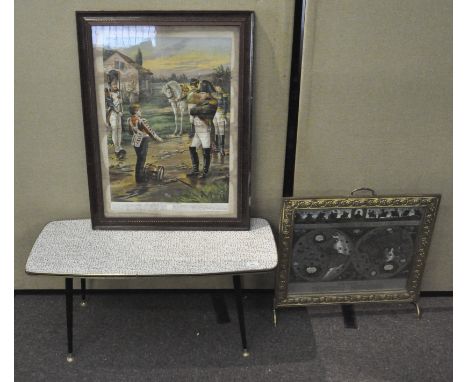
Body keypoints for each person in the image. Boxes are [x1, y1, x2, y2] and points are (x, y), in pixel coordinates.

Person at [186, 80, 218, 178]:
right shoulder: (201, 102)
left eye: (203, 92)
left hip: (205, 130)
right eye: (200, 92)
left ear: (208, 93)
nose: (200, 94)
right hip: (198, 130)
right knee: (192, 148)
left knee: (206, 150)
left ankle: (205, 172)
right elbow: (192, 111)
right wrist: (197, 110)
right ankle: (195, 170)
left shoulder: (213, 102)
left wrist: (197, 110)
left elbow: (201, 111)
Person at [127, 104, 164, 183]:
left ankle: (138, 177)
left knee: (139, 159)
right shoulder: (141, 120)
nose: (141, 112)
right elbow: (149, 131)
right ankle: (140, 179)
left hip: (135, 141)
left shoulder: (129, 120)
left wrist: (136, 130)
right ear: (136, 111)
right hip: (143, 140)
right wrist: (158, 139)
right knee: (142, 159)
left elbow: (130, 133)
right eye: (139, 110)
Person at [107, 80, 125, 158]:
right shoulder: (109, 94)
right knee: (114, 130)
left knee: (119, 130)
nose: (115, 86)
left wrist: (121, 111)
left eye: (116, 85)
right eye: (113, 85)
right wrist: (118, 110)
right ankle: (116, 148)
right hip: (113, 114)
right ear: (110, 86)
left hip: (119, 114)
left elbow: (121, 105)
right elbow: (111, 105)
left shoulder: (119, 93)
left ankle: (120, 145)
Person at [213, 85, 229, 155]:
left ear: (221, 87)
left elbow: (226, 105)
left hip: (220, 113)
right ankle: (216, 147)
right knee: (216, 130)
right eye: (216, 87)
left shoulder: (224, 95)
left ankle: (222, 149)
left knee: (221, 131)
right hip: (214, 114)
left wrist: (224, 114)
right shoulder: (214, 95)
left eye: (218, 87)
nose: (217, 88)